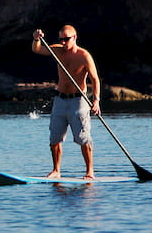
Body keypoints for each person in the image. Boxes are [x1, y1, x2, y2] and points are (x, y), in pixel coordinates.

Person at [32, 25, 101, 180]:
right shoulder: (57, 50)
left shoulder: (84, 56)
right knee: (54, 138)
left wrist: (96, 100)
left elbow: (95, 79)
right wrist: (36, 39)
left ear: (74, 38)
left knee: (83, 138)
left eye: (66, 39)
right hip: (60, 100)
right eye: (61, 39)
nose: (63, 42)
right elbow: (37, 50)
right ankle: (56, 170)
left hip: (78, 101)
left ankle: (90, 171)